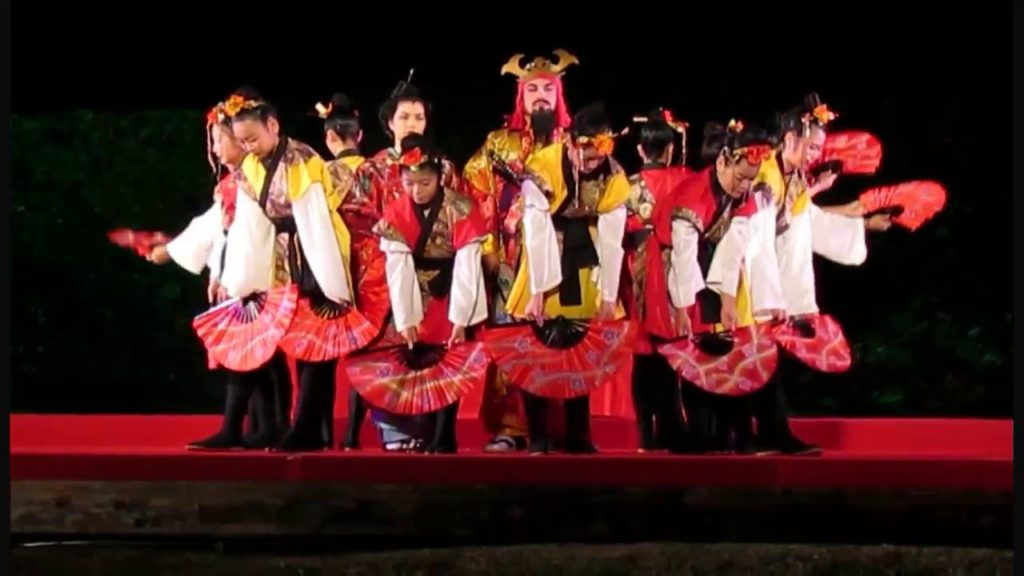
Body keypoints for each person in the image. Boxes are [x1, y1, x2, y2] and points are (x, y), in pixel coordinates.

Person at [749, 93, 893, 455]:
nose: (815, 154)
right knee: (755, 364)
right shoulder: (766, 173)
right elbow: (762, 231)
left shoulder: (789, 176)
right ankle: (765, 436)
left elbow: (805, 220)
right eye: (811, 146)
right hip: (750, 279)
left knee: (763, 364)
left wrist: (863, 219)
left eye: (819, 148)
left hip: (769, 282)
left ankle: (768, 434)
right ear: (790, 139)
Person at [489, 102, 635, 455]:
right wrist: (538, 290)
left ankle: (579, 435)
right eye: (585, 154)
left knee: (580, 351)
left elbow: (613, 238)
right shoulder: (542, 167)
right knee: (537, 350)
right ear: (570, 143)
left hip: (585, 257)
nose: (591, 163)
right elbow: (536, 229)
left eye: (598, 155)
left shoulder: (613, 175)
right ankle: (537, 433)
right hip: (546, 254)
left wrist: (607, 296)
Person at [225, 87, 361, 453]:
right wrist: (243, 279)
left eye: (253, 138)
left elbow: (315, 219)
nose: (249, 147)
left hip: (316, 251)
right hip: (280, 257)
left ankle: (306, 428)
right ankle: (300, 429)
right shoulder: (251, 165)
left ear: (273, 125)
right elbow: (250, 224)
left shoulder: (301, 158)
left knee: (318, 344)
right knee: (296, 344)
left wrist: (331, 283)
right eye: (242, 141)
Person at [461, 50, 578, 452]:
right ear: (521, 97)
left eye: (549, 88)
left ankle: (561, 431)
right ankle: (510, 428)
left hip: (564, 258)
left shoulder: (574, 143)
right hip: (511, 256)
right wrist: (490, 251)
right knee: (512, 342)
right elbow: (478, 195)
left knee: (559, 340)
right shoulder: (499, 144)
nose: (541, 97)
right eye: (534, 90)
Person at [344, 134, 490, 453]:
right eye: (409, 183)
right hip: (411, 288)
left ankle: (445, 433)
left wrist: (461, 317)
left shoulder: (461, 207)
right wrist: (406, 317)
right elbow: (397, 267)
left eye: (424, 183)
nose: (417, 190)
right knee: (403, 356)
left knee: (448, 360)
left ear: (439, 176)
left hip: (451, 286)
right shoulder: (397, 210)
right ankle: (386, 431)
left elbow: (467, 264)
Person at [655, 119, 786, 454]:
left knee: (723, 345)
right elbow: (683, 256)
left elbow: (735, 245)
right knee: (695, 346)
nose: (745, 185)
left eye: (751, 179)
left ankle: (733, 435)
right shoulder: (692, 196)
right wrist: (683, 307)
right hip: (671, 262)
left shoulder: (747, 193)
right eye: (741, 177)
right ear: (723, 160)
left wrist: (728, 297)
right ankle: (699, 435)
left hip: (712, 256)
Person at [314, 93, 390, 450]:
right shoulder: (379, 169)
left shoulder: (323, 173)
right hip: (374, 262)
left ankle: (326, 435)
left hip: (335, 261)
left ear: (330, 138)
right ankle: (352, 436)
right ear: (359, 136)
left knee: (326, 351)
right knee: (366, 349)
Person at [622, 108, 692, 452]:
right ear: (669, 150)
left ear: (640, 151)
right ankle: (671, 427)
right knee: (669, 350)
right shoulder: (684, 181)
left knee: (642, 354)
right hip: (672, 265)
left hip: (636, 268)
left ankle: (645, 434)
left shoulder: (626, 186)